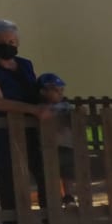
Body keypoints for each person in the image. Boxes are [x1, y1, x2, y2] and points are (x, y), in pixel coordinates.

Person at [0, 18, 53, 215]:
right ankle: (12, 220)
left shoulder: (25, 65)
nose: (7, 45)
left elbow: (33, 91)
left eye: (11, 42)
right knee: (8, 177)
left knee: (44, 171)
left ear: (17, 42)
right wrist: (33, 109)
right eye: (2, 42)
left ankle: (49, 216)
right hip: (3, 132)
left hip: (32, 129)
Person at [36, 73, 77, 207]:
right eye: (55, 90)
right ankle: (55, 197)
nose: (60, 93)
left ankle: (69, 195)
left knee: (68, 171)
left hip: (66, 144)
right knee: (52, 171)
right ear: (43, 91)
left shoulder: (65, 106)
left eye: (61, 90)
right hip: (49, 146)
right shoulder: (39, 107)